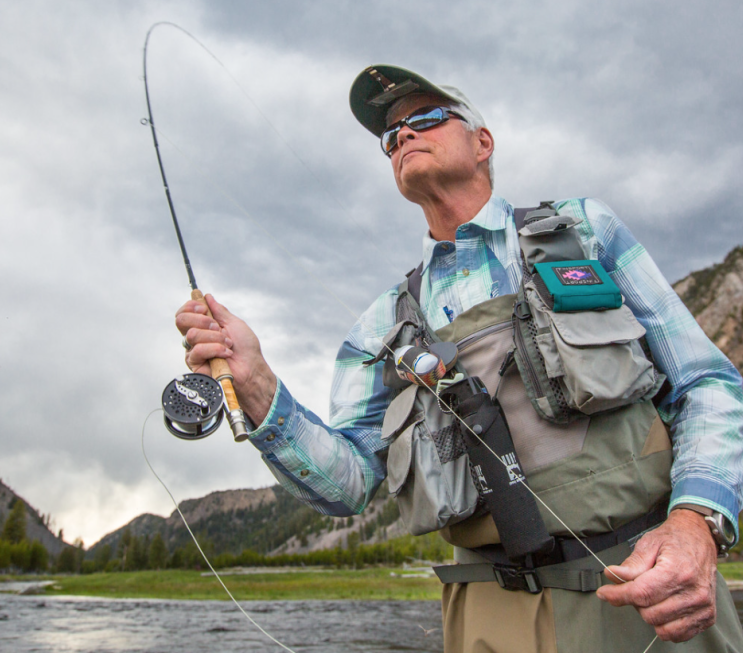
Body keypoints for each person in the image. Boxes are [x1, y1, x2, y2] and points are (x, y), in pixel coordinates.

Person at [176, 65, 743, 652]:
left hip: (648, 590)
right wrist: (260, 387)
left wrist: (696, 522)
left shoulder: (583, 230)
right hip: (482, 615)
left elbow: (706, 383)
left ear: (483, 142)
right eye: (390, 137)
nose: (403, 136)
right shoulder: (380, 325)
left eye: (424, 118)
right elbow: (348, 485)